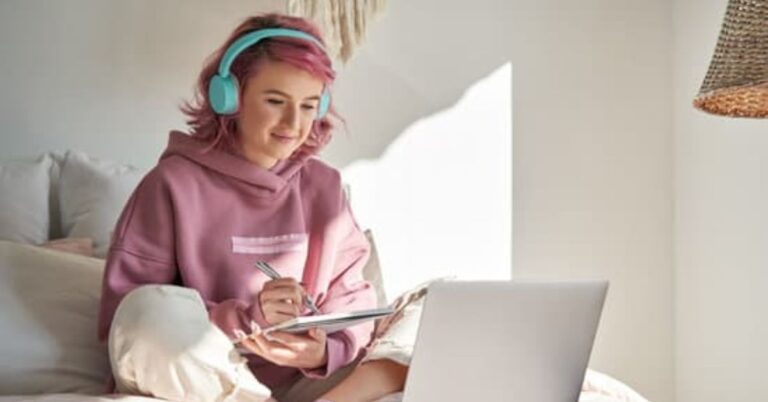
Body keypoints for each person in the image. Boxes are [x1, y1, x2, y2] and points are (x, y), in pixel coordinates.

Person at [97, 13, 410, 402]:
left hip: (305, 380)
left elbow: (353, 296)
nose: (294, 124)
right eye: (276, 101)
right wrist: (248, 318)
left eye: (309, 105)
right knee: (148, 313)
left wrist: (324, 350)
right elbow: (128, 319)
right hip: (206, 376)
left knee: (431, 303)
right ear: (228, 97)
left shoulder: (325, 186)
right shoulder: (171, 184)